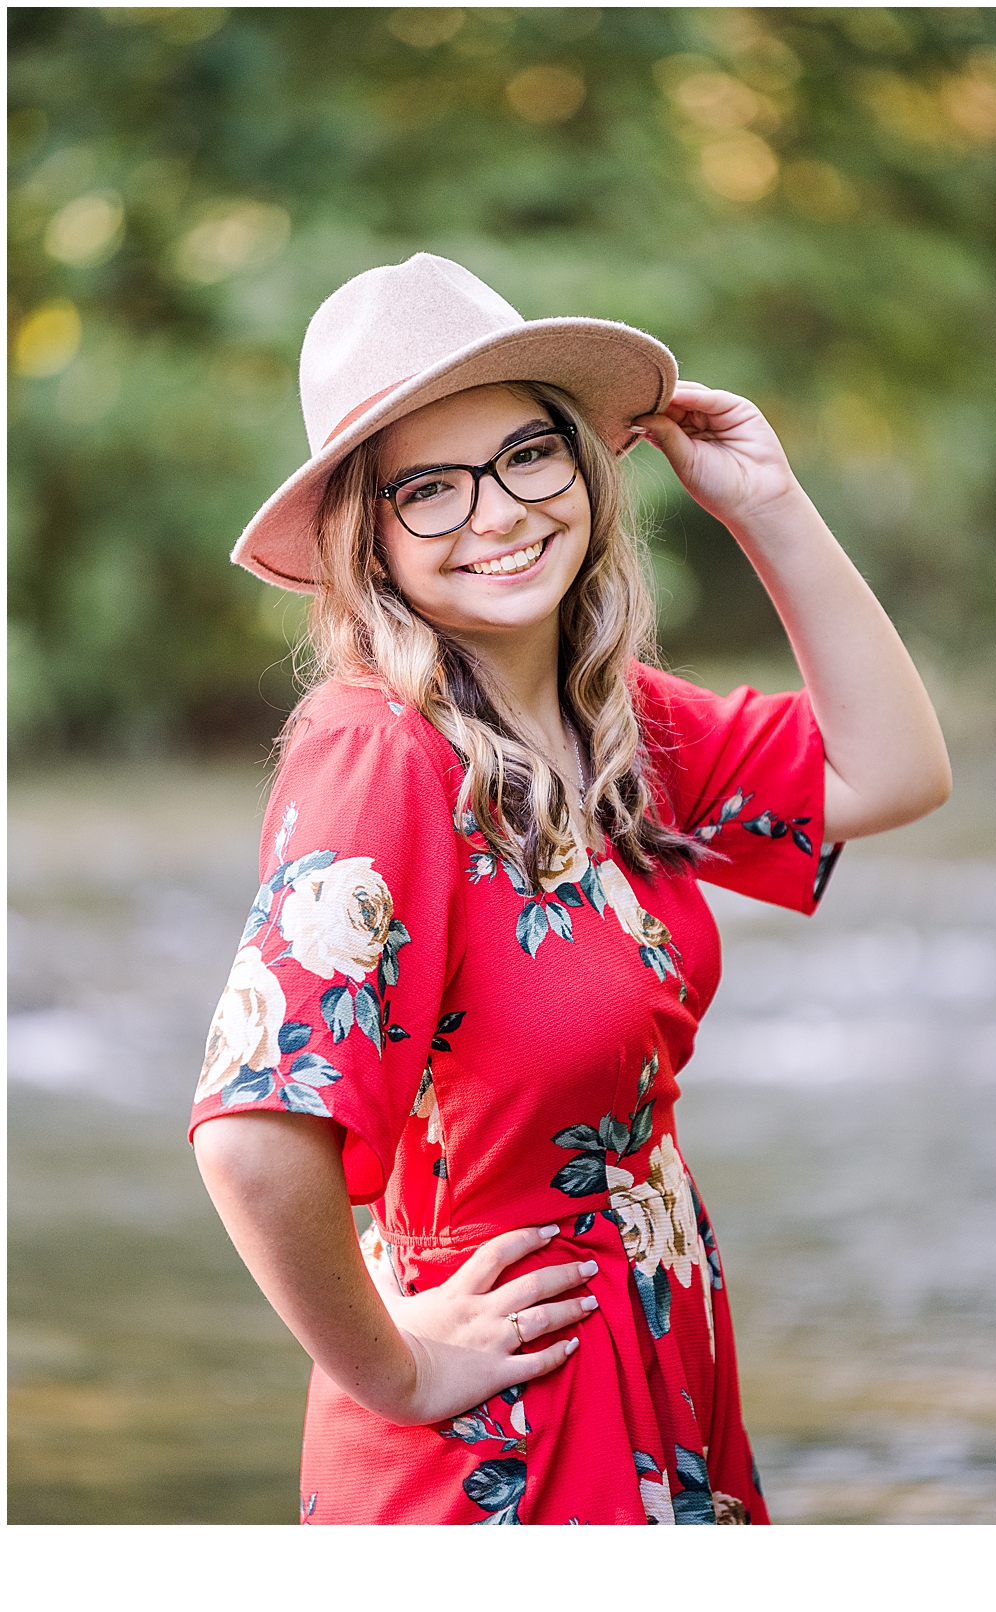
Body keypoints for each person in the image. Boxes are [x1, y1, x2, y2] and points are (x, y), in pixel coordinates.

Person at [189, 253, 950, 1523]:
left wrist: (769, 507)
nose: (495, 513)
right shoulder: (384, 753)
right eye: (428, 487)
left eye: (527, 455)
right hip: (506, 1419)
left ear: (584, 470)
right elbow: (253, 1136)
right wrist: (395, 1364)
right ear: (368, 536)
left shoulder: (614, 722)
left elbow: (893, 772)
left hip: (652, 1351)